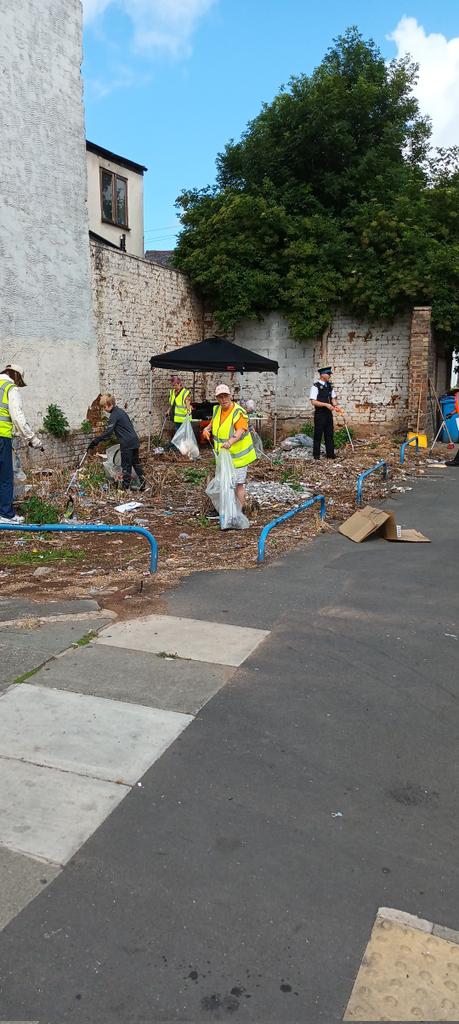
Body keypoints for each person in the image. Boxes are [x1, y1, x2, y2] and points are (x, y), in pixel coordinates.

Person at [0, 363, 42, 523]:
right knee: (4, 477)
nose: (18, 384)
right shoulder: (10, 388)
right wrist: (33, 439)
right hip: (2, 436)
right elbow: (17, 416)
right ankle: (5, 515)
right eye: (19, 381)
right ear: (16, 375)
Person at [203, 383, 256, 508]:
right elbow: (213, 423)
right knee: (225, 483)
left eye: (225, 396)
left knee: (238, 484)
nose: (223, 399)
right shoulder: (217, 409)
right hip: (224, 456)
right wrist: (207, 429)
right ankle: (227, 510)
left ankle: (239, 511)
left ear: (230, 396)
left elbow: (240, 430)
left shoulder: (238, 411)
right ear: (217, 398)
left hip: (239, 457)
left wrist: (229, 442)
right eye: (220, 397)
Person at [87, 394, 146, 491]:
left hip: (127, 443)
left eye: (104, 407)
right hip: (134, 441)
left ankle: (124, 489)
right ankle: (143, 484)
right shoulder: (121, 412)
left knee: (126, 466)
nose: (104, 409)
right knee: (136, 464)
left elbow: (108, 433)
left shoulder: (114, 415)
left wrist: (95, 441)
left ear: (109, 404)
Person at [310, 366, 339, 460]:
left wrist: (336, 406)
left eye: (330, 374)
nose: (330, 375)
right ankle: (316, 456)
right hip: (320, 414)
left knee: (329, 434)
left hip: (328, 414)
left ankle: (330, 455)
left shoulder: (329, 386)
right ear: (322, 375)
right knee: (318, 435)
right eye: (328, 374)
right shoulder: (315, 386)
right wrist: (326, 405)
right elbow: (313, 401)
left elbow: (333, 398)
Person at [445, 387, 459, 467]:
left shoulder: (457, 396)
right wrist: (451, 413)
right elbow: (457, 408)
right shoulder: (457, 396)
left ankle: (456, 461)